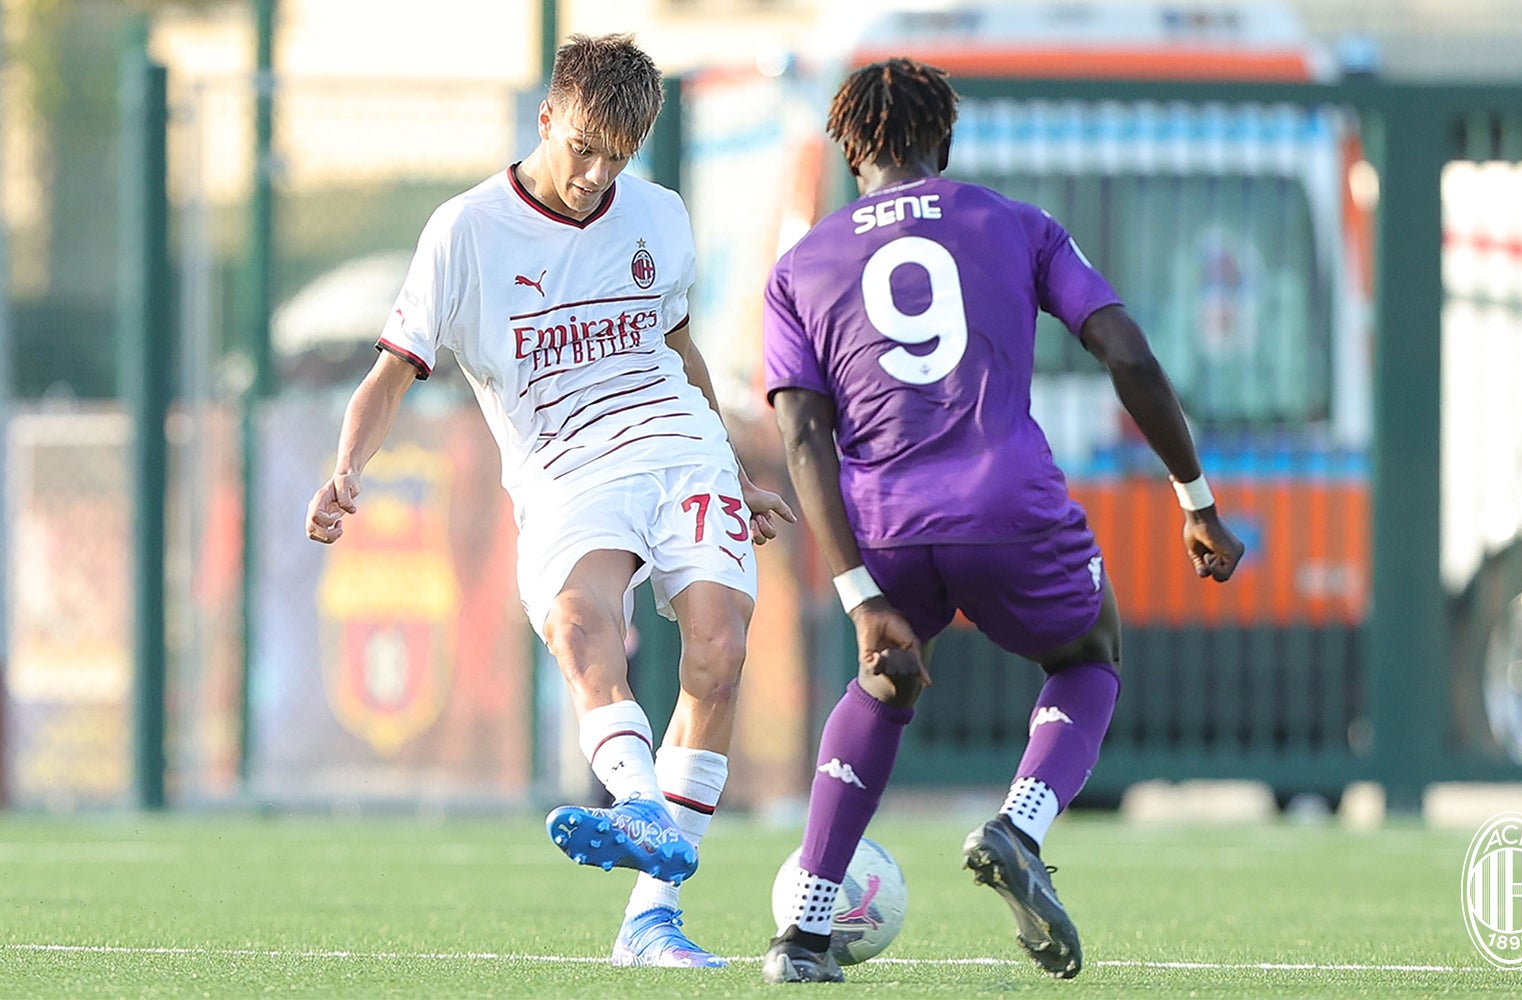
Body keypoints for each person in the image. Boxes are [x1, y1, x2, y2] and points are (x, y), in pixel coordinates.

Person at [305, 33, 794, 969]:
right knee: (579, 628)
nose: (595, 175)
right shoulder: (465, 231)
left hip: (678, 445)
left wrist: (733, 469)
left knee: (721, 651)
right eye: (583, 148)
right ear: (547, 117)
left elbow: (682, 358)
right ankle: (641, 806)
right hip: (566, 469)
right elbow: (390, 374)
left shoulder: (657, 216)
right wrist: (346, 468)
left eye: (619, 157)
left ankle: (652, 917)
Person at [759, 58, 1245, 984]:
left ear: (848, 147)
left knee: (884, 682)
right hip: (1006, 506)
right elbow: (1125, 351)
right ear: (942, 142)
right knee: (1088, 653)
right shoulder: (1014, 223)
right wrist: (1196, 501)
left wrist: (861, 595)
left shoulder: (799, 267)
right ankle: (1020, 825)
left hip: (884, 523)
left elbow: (801, 433)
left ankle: (804, 933)